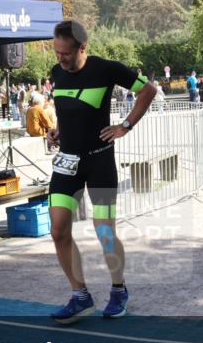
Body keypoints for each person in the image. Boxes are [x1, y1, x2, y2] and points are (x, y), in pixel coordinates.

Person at [45, 20, 157, 324]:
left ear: (83, 48)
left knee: (104, 231)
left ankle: (118, 289)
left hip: (99, 162)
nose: (61, 59)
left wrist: (125, 125)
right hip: (67, 163)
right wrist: (58, 129)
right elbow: (69, 108)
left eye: (66, 53)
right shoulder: (57, 73)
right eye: (57, 53)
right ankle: (80, 295)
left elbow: (149, 90)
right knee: (58, 230)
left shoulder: (106, 69)